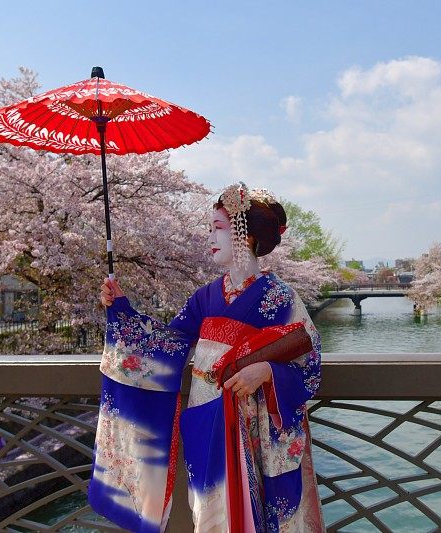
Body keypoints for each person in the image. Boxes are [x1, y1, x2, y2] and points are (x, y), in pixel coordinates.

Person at [89, 183, 325, 532]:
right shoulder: (206, 297)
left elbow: (309, 361)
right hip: (209, 416)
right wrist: (120, 308)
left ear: (244, 235)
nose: (210, 238)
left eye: (217, 228)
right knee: (211, 513)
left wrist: (265, 370)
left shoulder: (281, 298)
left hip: (258, 426)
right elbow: (167, 344)